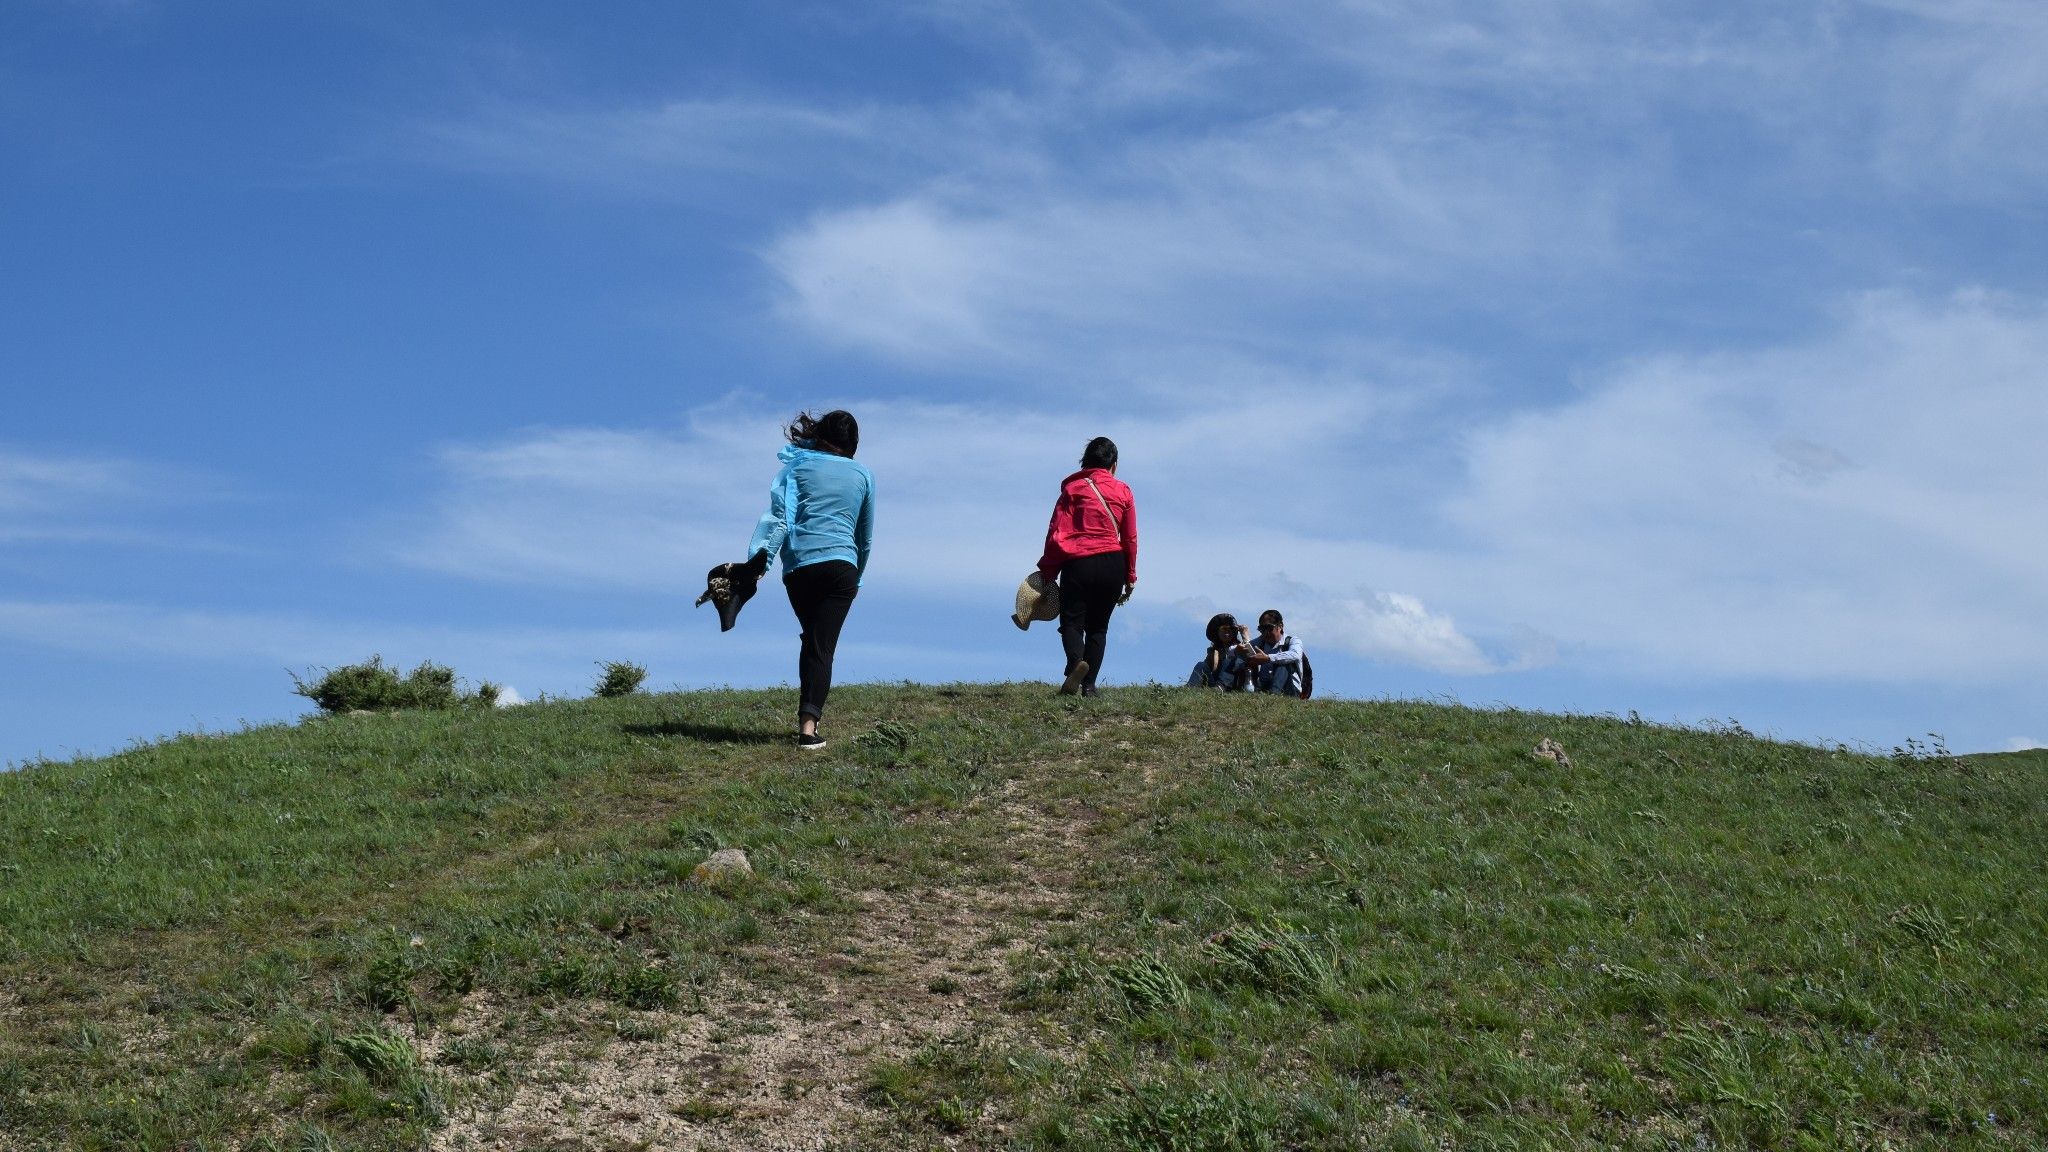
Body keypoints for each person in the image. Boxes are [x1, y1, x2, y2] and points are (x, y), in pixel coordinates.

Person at [743, 410, 874, 750]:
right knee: (820, 645)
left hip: (800, 569)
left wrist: (759, 563)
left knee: (813, 641)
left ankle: (808, 725)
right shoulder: (863, 475)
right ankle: (808, 728)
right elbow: (865, 538)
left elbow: (778, 521)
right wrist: (856, 578)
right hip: (841, 568)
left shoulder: (796, 467)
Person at [1036, 436, 1137, 696]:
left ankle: (1074, 663)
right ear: (1113, 465)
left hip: (1078, 563)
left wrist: (1048, 571)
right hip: (1113, 563)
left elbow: (1056, 533)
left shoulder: (1073, 489)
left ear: (1085, 463)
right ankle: (1089, 686)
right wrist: (1130, 575)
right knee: (1098, 627)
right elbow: (1130, 537)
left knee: (1072, 622)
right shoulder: (1123, 490)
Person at [1242, 609, 1308, 697]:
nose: (1265, 633)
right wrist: (1239, 650)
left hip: (1289, 689)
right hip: (1264, 686)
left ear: (1280, 626)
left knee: (1282, 664)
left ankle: (1274, 695)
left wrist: (1268, 658)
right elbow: (1238, 649)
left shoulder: (1293, 641)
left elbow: (1295, 655)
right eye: (1262, 629)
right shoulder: (1261, 642)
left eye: (1269, 628)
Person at [1187, 612, 1254, 690]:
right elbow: (1206, 668)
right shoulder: (1214, 651)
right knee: (1201, 665)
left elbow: (1252, 656)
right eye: (1224, 630)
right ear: (1217, 632)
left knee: (1228, 661)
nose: (1227, 634)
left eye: (1230, 630)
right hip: (1214, 684)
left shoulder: (1240, 646)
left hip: (1235, 684)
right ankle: (1191, 688)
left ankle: (1220, 687)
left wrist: (1245, 635)